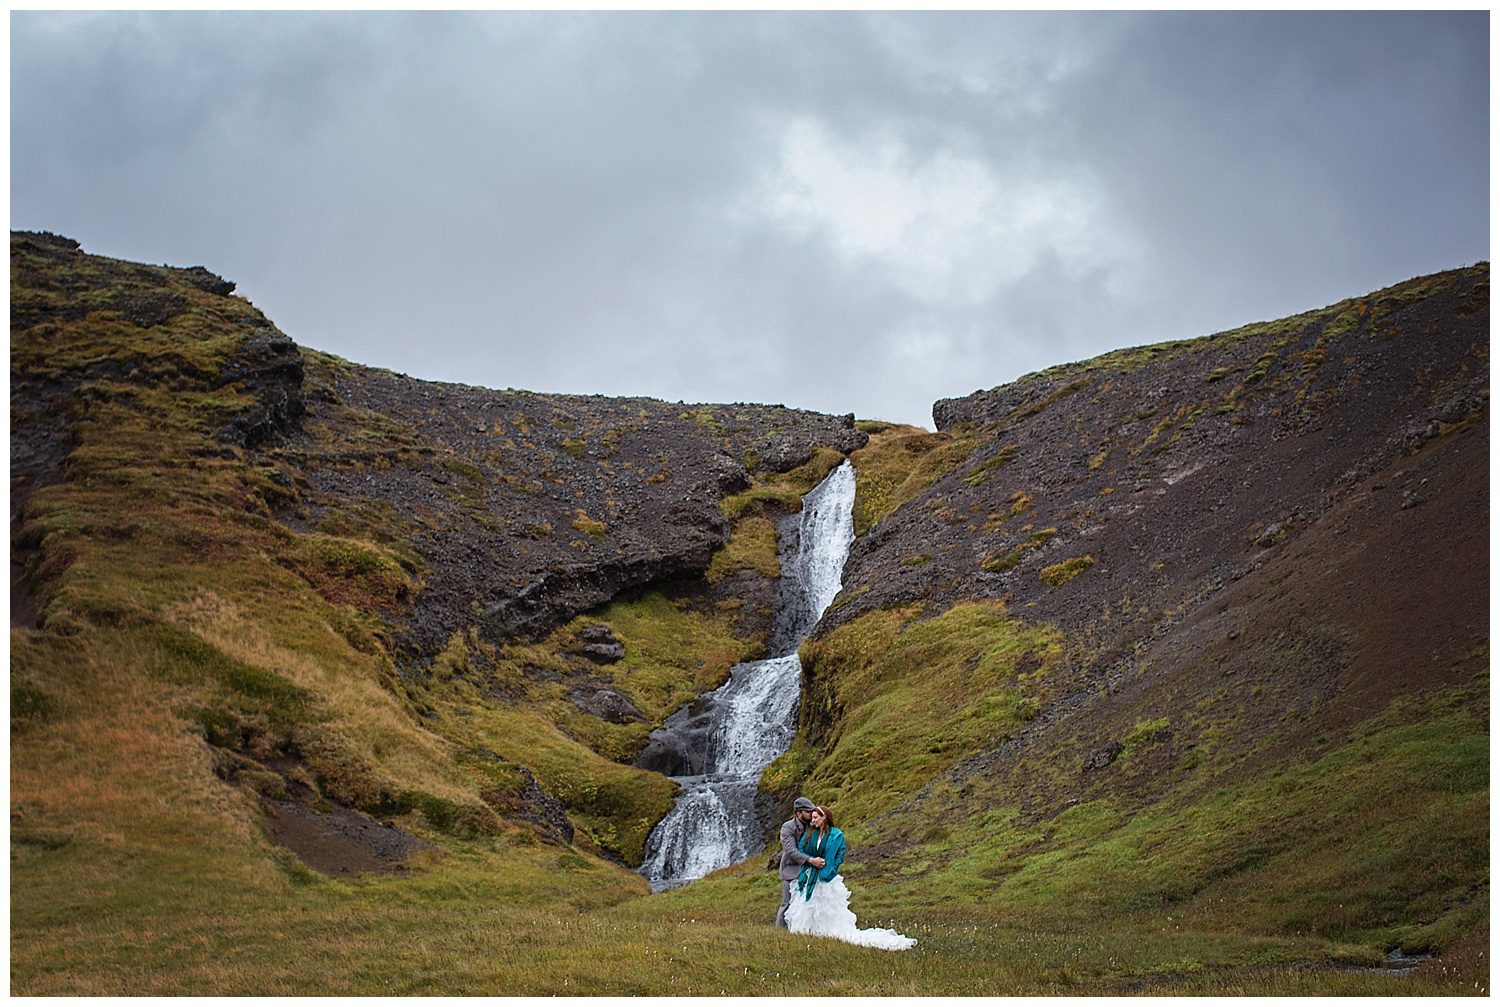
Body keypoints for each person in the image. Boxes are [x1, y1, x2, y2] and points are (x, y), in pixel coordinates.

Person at [783, 805, 916, 951]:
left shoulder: (836, 835)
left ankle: (829, 933)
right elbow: (801, 848)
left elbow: (840, 853)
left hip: (826, 878)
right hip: (809, 877)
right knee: (807, 907)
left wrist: (832, 868)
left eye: (815, 818)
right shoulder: (810, 833)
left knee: (826, 908)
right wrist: (811, 860)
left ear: (824, 818)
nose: (812, 821)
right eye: (812, 817)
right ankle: (808, 935)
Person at [775, 796, 824, 928]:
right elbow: (791, 850)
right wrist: (810, 860)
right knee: (787, 903)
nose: (811, 814)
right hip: (790, 870)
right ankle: (779, 932)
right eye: (808, 812)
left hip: (809, 870)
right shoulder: (787, 827)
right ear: (798, 813)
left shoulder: (813, 825)